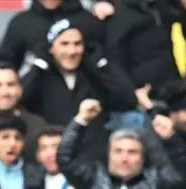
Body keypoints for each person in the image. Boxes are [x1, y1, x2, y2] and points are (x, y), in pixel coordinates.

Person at [19, 22, 137, 159]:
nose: (72, 51)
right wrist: (38, 66)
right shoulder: (42, 77)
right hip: (52, 156)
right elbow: (19, 100)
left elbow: (129, 99)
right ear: (51, 48)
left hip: (92, 156)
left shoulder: (94, 74)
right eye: (64, 44)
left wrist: (101, 65)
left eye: (77, 44)